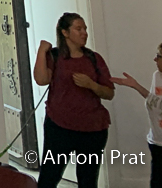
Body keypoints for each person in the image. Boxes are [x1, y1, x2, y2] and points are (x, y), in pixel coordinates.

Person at [32, 12, 115, 188]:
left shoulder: (94, 58)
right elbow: (41, 79)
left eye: (85, 29)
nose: (84, 33)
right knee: (49, 177)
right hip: (59, 126)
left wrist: (91, 85)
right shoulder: (54, 56)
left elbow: (109, 93)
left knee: (88, 180)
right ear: (65, 32)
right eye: (78, 29)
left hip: (92, 128)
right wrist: (41, 51)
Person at [110, 42, 162, 188]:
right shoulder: (157, 75)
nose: (155, 59)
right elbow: (153, 103)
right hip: (156, 141)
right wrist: (135, 86)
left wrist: (137, 86)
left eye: (158, 56)